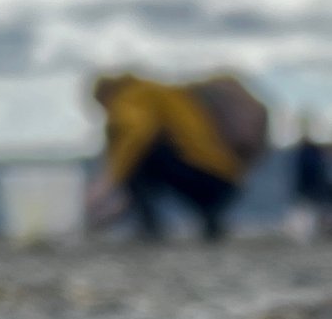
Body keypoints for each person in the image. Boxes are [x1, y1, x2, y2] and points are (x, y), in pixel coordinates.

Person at [83, 72, 265, 242]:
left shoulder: (133, 96)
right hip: (224, 180)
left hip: (210, 179)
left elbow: (137, 136)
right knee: (148, 158)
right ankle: (210, 220)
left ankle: (150, 226)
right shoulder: (160, 94)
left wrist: (109, 181)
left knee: (145, 157)